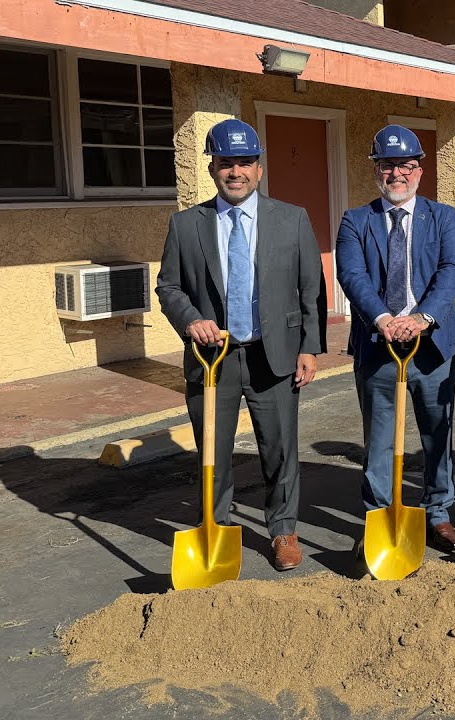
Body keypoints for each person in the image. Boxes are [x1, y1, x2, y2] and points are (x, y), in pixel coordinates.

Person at [156, 118, 326, 571]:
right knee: (213, 452)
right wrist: (191, 321)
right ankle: (215, 529)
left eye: (245, 162)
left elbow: (311, 287)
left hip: (274, 355)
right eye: (226, 163)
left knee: (280, 448)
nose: (236, 172)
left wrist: (309, 347)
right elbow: (168, 287)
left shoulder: (291, 219)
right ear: (213, 168)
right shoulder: (186, 225)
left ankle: (283, 530)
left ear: (259, 168)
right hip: (212, 359)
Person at [335, 125, 455, 552]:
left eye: (406, 165)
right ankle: (380, 516)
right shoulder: (356, 221)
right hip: (378, 344)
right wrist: (382, 318)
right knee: (379, 438)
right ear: (376, 170)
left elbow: (451, 270)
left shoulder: (443, 217)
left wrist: (423, 317)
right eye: (388, 165)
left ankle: (438, 512)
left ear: (419, 171)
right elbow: (351, 275)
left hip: (432, 345)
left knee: (437, 433)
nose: (397, 174)